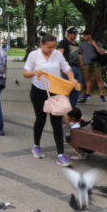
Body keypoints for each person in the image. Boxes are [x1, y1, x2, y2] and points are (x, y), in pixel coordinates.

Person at [23, 33, 81, 167]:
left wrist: (72, 78)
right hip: (38, 91)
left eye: (53, 47)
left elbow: (67, 69)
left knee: (56, 121)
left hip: (55, 91)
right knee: (41, 119)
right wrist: (34, 72)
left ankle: (60, 154)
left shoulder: (57, 55)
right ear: (42, 44)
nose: (51, 50)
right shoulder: (34, 55)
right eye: (49, 47)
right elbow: (26, 73)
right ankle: (36, 146)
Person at [79, 29, 106, 103]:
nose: (84, 36)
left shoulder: (97, 43)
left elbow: (102, 52)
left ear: (89, 35)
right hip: (86, 63)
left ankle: (101, 95)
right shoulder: (82, 44)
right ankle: (88, 94)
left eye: (85, 35)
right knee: (88, 78)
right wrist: (81, 62)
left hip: (96, 63)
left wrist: (95, 45)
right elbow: (80, 53)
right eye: (83, 35)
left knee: (99, 78)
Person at [57, 27, 81, 107]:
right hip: (68, 69)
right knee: (66, 89)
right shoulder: (63, 42)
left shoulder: (76, 44)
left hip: (77, 68)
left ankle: (72, 109)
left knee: (76, 89)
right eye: (74, 34)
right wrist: (62, 68)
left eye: (76, 34)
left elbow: (79, 56)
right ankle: (62, 108)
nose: (75, 36)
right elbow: (59, 55)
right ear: (69, 33)